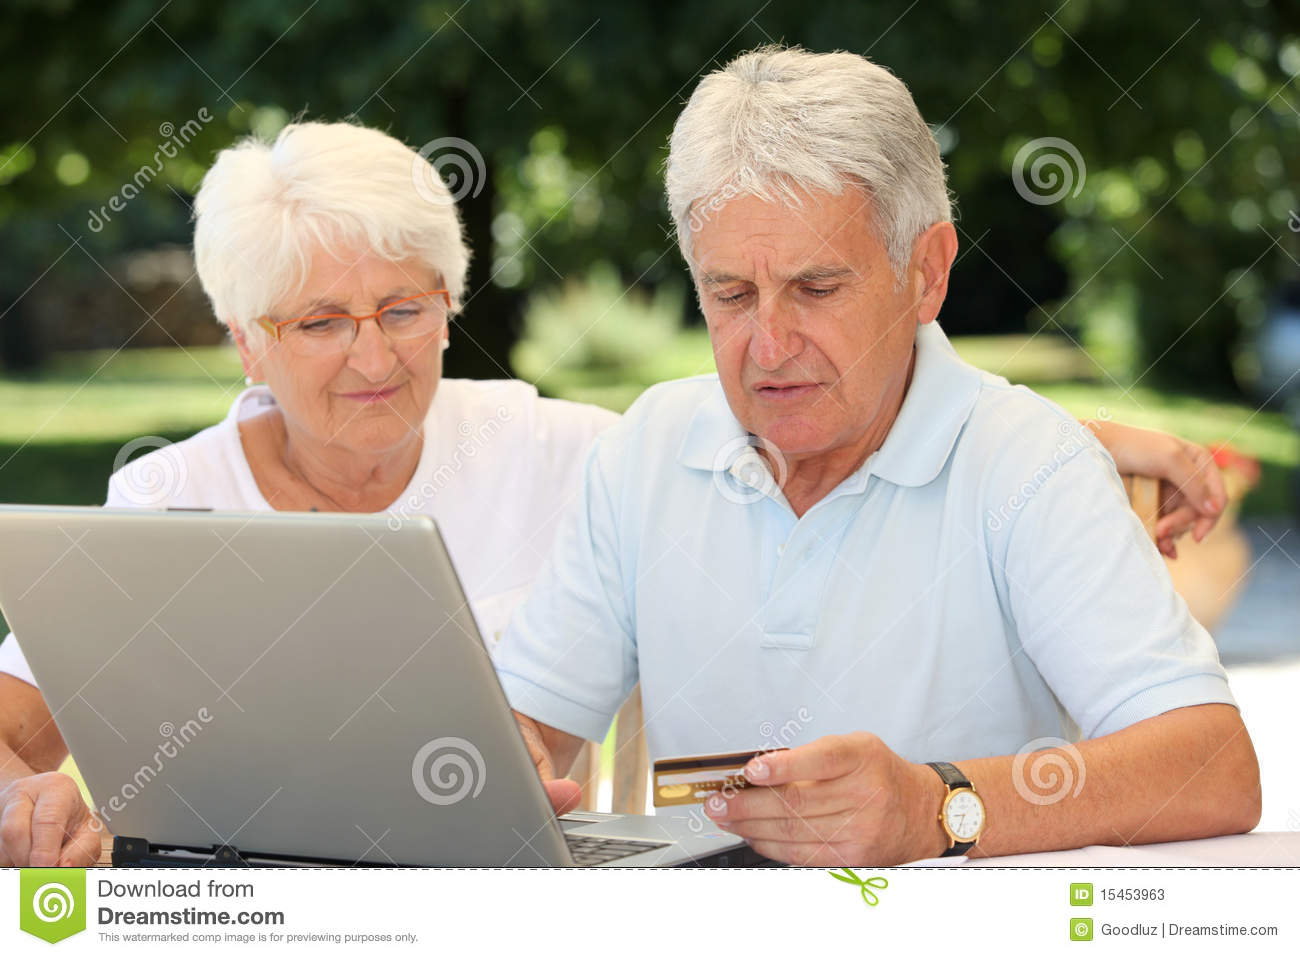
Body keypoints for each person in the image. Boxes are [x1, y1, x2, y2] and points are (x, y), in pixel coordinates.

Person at [0, 116, 1228, 868]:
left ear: (451, 304)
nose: (373, 358)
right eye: (319, 321)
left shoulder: (571, 449)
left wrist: (1064, 434)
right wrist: (31, 812)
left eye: (406, 310)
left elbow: (829, 402)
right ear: (243, 339)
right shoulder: (162, 503)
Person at [501, 46, 1260, 866]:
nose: (769, 345)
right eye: (730, 293)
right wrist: (503, 760)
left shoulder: (1027, 461)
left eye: (817, 288)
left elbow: (1213, 766)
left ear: (926, 271)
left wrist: (940, 806)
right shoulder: (648, 446)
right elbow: (527, 727)